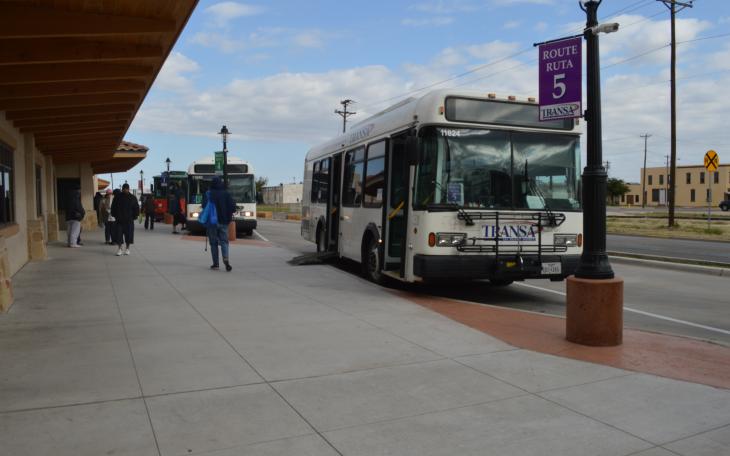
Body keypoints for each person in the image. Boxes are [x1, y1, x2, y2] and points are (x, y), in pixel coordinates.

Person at [202, 177, 235, 271]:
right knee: (224, 241)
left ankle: (216, 264)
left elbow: (204, 206)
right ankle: (226, 259)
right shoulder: (226, 193)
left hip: (212, 222)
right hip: (224, 221)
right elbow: (232, 207)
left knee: (213, 243)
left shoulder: (208, 194)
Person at [110, 183, 139, 256]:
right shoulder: (117, 197)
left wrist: (135, 216)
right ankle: (119, 249)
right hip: (119, 220)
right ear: (122, 189)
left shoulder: (133, 197)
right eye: (124, 189)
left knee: (129, 235)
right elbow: (113, 207)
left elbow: (136, 208)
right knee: (118, 235)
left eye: (126, 189)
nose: (125, 190)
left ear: (128, 189)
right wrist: (114, 215)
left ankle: (127, 249)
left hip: (129, 220)